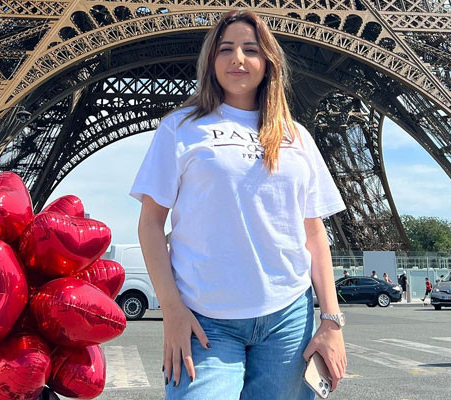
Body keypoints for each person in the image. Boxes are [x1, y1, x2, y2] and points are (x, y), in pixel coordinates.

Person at [131, 10, 347, 399]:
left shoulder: (296, 136)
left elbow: (313, 232)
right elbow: (150, 224)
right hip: (205, 320)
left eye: (251, 49)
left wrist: (331, 321)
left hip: (288, 317)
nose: (238, 59)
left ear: (268, 61)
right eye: (226, 49)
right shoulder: (180, 128)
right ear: (211, 60)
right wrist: (172, 310)